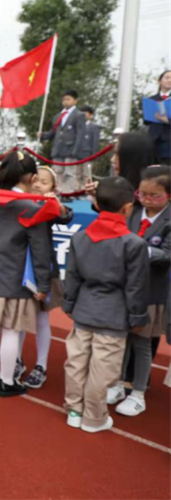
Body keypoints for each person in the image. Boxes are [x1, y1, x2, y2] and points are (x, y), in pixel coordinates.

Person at [63, 176, 149, 433]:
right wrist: (137, 318)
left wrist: (69, 304)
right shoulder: (134, 243)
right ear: (127, 207)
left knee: (76, 363)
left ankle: (74, 410)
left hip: (83, 310)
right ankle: (94, 417)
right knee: (103, 369)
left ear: (97, 204)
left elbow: (72, 276)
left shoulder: (81, 237)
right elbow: (136, 287)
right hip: (113, 315)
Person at [0, 152, 54, 397]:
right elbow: (41, 252)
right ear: (31, 178)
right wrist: (43, 285)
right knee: (10, 330)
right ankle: (7, 381)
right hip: (18, 281)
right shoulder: (31, 208)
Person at [108, 166, 171, 417]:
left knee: (142, 343)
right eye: (142, 194)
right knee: (122, 339)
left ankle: (138, 393)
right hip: (125, 289)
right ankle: (117, 383)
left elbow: (167, 254)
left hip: (150, 292)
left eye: (154, 195)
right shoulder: (132, 210)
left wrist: (139, 249)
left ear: (168, 195)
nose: (146, 199)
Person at [18, 166, 74, 389]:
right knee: (18, 319)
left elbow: (65, 216)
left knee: (41, 320)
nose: (38, 185)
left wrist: (58, 205)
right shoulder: (20, 202)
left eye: (44, 182)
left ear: (53, 187)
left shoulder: (49, 206)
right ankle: (16, 360)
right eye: (35, 180)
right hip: (19, 270)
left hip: (43, 272)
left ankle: (41, 366)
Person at [37, 90, 87, 194]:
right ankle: (58, 192)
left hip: (70, 149)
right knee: (56, 172)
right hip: (58, 149)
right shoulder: (58, 116)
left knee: (69, 173)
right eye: (64, 99)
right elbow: (53, 132)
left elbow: (80, 134)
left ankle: (69, 193)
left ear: (75, 101)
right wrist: (43, 135)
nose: (65, 102)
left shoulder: (79, 115)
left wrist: (76, 150)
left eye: (68, 99)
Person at [144, 70, 171, 164]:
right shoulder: (151, 99)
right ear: (160, 81)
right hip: (154, 139)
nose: (169, 80)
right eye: (167, 78)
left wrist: (167, 120)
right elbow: (146, 121)